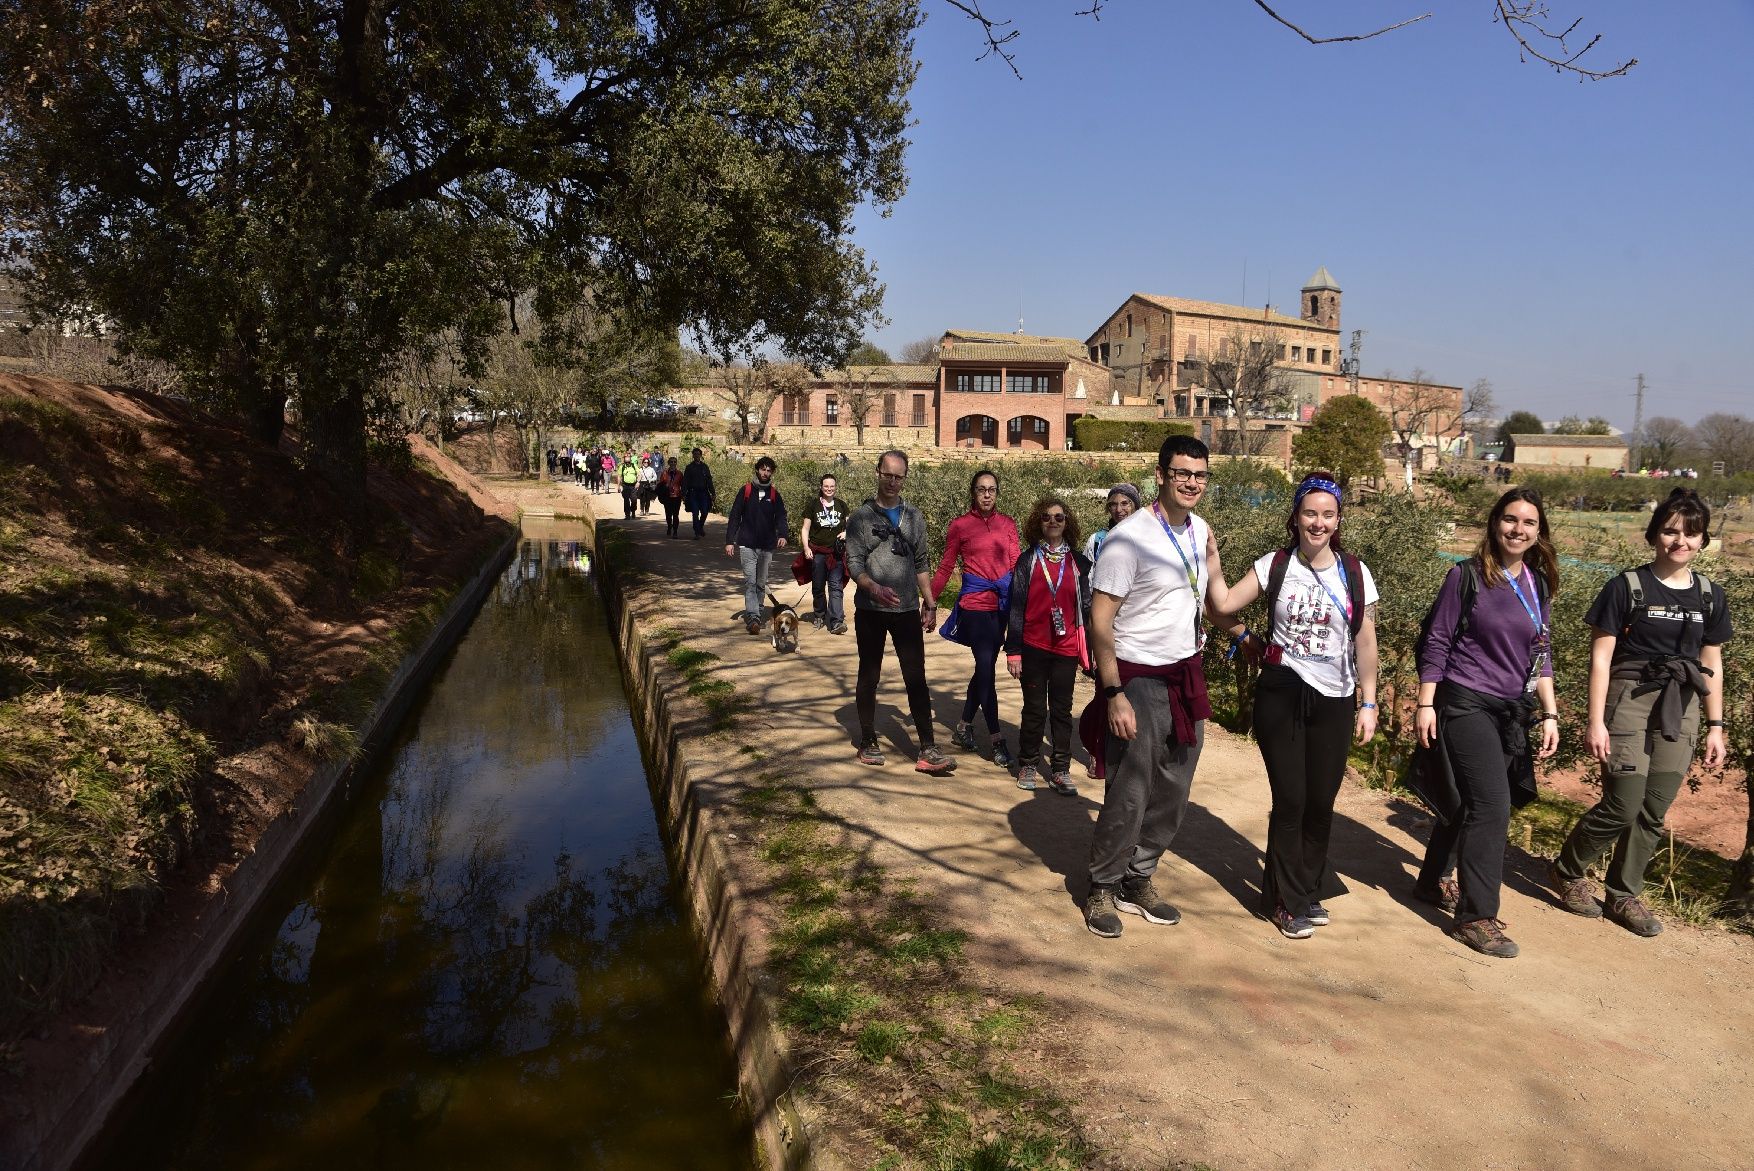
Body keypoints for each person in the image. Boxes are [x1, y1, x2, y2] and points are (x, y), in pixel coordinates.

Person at [1548, 488, 1731, 937]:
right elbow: (1601, 659)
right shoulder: (1626, 586)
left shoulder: (1710, 595)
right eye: (1671, 531)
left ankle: (1622, 892)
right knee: (1623, 803)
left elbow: (1714, 664)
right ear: (1654, 535)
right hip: (1628, 699)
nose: (1680, 541)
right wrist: (1595, 720)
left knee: (1654, 808)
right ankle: (1569, 872)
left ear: (1703, 541)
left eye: (1691, 534)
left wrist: (1715, 725)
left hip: (1683, 704)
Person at [1207, 473, 1380, 939]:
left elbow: (1366, 642)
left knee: (1321, 802)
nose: (1318, 523)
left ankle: (1305, 887)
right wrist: (1212, 561)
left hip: (1337, 697)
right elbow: (1220, 603)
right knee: (1291, 799)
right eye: (1310, 513)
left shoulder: (1355, 573)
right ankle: (1285, 901)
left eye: (1327, 514)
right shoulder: (1275, 565)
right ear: (1296, 517)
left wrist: (1369, 702)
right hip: (1282, 690)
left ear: (1338, 520)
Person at [1081, 435, 1220, 938]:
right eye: (1182, 473)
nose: (1191, 483)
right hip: (1136, 677)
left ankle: (1138, 879)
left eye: (1200, 475)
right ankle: (1102, 884)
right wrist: (1113, 692)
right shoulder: (1128, 538)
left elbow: (1216, 598)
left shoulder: (1201, 530)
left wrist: (1272, 574)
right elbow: (1100, 621)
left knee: (1176, 786)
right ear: (1159, 476)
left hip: (1184, 673)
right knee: (1131, 789)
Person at [1413, 487, 1561, 960]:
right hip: (1465, 701)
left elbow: (1542, 653)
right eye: (1510, 520)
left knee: (1467, 802)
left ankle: (1431, 880)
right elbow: (1437, 640)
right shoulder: (1467, 576)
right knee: (1492, 805)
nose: (1518, 530)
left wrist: (1551, 711)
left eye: (1529, 523)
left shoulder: (1538, 583)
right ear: (1495, 523)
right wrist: (1425, 704)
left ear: (1539, 533)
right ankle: (1476, 916)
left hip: (1511, 710)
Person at [845, 450, 956, 775]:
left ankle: (927, 749)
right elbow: (853, 563)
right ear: (877, 472)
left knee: (916, 678)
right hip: (871, 610)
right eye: (887, 474)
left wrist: (930, 602)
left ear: (905, 477)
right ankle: (867, 740)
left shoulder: (914, 517)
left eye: (898, 476)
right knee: (870, 675)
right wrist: (872, 586)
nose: (892, 481)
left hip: (906, 609)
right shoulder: (861, 518)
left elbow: (921, 564)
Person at [930, 469, 1021, 768]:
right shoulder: (960, 526)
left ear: (997, 492)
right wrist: (929, 601)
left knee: (984, 668)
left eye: (992, 489)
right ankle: (996, 739)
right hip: (974, 605)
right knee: (986, 669)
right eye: (981, 489)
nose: (986, 494)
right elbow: (945, 567)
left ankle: (963, 727)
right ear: (973, 492)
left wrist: (1024, 604)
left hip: (1002, 606)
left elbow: (1015, 565)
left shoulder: (1007, 524)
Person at [1004, 497, 1092, 796]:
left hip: (1066, 648)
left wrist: (1091, 648)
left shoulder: (1080, 563)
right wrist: (1013, 650)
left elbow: (1089, 608)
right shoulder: (1028, 560)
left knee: (1062, 711)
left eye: (1059, 517)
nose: (1052, 522)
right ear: (1037, 523)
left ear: (1068, 523)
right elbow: (1016, 608)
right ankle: (1028, 762)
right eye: (1046, 517)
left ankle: (1060, 769)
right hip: (1033, 646)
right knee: (1033, 709)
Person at [724, 456, 788, 635]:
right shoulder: (745, 490)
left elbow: (781, 517)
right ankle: (753, 617)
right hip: (747, 545)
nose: (765, 473)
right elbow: (735, 517)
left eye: (769, 470)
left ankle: (758, 611)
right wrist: (730, 541)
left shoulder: (774, 494)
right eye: (763, 469)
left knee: (761, 583)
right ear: (757, 470)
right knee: (750, 582)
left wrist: (783, 534)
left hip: (767, 546)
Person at [799, 472, 849, 634]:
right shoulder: (813, 505)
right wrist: (806, 548)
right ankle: (820, 615)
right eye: (826, 486)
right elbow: (805, 528)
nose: (829, 489)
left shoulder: (841, 505)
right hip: (818, 553)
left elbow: (851, 525)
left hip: (835, 554)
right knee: (818, 587)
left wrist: (847, 533)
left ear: (836, 487)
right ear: (821, 487)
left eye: (832, 486)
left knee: (835, 587)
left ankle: (836, 621)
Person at [1082, 483, 1141, 564]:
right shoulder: (1097, 540)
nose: (1118, 510)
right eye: (1113, 505)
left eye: (1124, 504)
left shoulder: (1146, 539)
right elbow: (1086, 574)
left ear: (1135, 507)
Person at [682, 447, 715, 539]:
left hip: (703, 493)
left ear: (700, 455)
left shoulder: (705, 467)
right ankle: (697, 532)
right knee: (695, 513)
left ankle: (700, 527)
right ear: (693, 455)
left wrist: (713, 493)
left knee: (705, 511)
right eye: (695, 454)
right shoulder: (689, 468)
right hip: (693, 493)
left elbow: (709, 481)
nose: (696, 455)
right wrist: (683, 494)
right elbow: (685, 481)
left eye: (698, 454)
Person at [659, 456, 686, 538]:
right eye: (671, 462)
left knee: (675, 514)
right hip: (667, 496)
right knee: (668, 514)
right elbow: (660, 485)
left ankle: (675, 531)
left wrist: (684, 495)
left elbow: (683, 485)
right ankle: (669, 526)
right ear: (669, 463)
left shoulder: (680, 474)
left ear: (676, 463)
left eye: (674, 462)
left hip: (677, 496)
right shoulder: (664, 473)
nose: (673, 463)